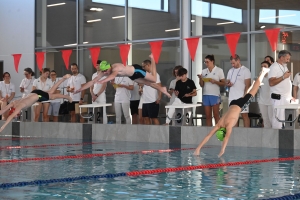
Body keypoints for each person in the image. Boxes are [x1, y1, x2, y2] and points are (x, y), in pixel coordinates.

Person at [194, 67, 270, 157]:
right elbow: (209, 136)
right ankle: (255, 84)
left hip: (239, 105)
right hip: (233, 103)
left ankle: (263, 72)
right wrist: (198, 149)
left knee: (254, 90)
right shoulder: (220, 123)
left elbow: (226, 138)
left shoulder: (227, 124)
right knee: (245, 95)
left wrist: (222, 150)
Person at [73, 54, 170, 98]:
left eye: (106, 70)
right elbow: (92, 81)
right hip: (131, 76)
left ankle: (153, 58)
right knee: (148, 83)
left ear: (109, 67)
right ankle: (162, 89)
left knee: (153, 79)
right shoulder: (105, 71)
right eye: (104, 71)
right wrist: (80, 89)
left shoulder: (115, 68)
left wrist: (103, 81)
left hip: (136, 70)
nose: (105, 72)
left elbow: (112, 76)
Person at [0, 74, 72, 132]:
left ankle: (66, 95)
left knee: (52, 95)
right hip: (34, 92)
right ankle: (63, 80)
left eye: (16, 115)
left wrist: (2, 127)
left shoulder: (18, 107)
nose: (17, 115)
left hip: (39, 96)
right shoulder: (13, 102)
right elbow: (3, 110)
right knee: (51, 91)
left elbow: (10, 117)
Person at [268, 50, 293, 129]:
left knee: (287, 120)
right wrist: (283, 77)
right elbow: (271, 83)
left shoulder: (284, 66)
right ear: (281, 57)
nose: (288, 61)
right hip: (278, 98)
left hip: (286, 98)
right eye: (287, 59)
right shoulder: (274, 67)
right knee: (278, 121)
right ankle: (276, 139)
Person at [198, 55, 225, 126]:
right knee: (208, 116)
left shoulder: (219, 70)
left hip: (215, 95)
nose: (206, 64)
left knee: (216, 115)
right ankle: (209, 132)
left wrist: (215, 81)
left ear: (212, 61)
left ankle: (219, 131)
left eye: (207, 62)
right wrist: (200, 78)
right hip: (206, 95)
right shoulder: (204, 71)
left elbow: (223, 83)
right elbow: (201, 85)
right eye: (205, 62)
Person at [226, 54, 251, 127]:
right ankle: (235, 133)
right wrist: (228, 83)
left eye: (234, 63)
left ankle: (247, 133)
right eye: (231, 63)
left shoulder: (245, 70)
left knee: (244, 116)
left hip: (242, 97)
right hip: (232, 97)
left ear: (238, 61)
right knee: (233, 117)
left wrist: (245, 97)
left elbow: (248, 85)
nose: (232, 65)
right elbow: (227, 81)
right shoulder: (230, 71)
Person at [142, 59, 162, 125]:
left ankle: (158, 133)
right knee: (145, 118)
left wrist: (159, 98)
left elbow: (159, 87)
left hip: (153, 100)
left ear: (148, 65)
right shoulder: (145, 75)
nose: (143, 68)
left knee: (153, 117)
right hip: (145, 100)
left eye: (144, 66)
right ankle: (148, 133)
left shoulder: (155, 75)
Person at [258, 61, 272, 128]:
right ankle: (267, 136)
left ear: (269, 67)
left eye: (265, 66)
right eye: (262, 66)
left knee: (271, 119)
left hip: (270, 101)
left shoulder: (271, 75)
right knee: (265, 119)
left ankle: (273, 136)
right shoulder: (260, 74)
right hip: (262, 101)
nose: (263, 68)